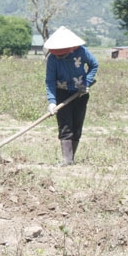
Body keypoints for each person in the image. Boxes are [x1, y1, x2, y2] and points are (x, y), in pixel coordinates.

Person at [44, 26, 99, 166]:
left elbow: (94, 65)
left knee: (77, 126)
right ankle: (66, 160)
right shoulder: (52, 59)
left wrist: (86, 83)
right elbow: (50, 80)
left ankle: (71, 158)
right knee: (65, 126)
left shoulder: (81, 51)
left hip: (80, 93)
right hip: (62, 93)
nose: (59, 57)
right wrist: (52, 101)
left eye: (62, 55)